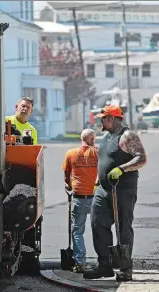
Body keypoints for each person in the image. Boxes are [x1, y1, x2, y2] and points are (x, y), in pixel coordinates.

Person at [83, 105, 147, 282]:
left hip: (123, 191)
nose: (100, 121)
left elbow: (141, 158)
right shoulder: (106, 137)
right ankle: (105, 265)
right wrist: (97, 181)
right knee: (97, 223)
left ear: (111, 118)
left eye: (103, 118)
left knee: (123, 229)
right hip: (103, 190)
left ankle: (126, 268)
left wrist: (122, 169)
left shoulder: (127, 136)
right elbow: (103, 161)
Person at [61, 129, 99, 273]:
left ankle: (80, 262)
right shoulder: (97, 153)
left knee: (77, 231)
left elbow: (66, 176)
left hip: (78, 197)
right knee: (100, 230)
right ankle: (103, 261)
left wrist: (68, 185)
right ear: (92, 139)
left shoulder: (70, 153)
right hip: (95, 197)